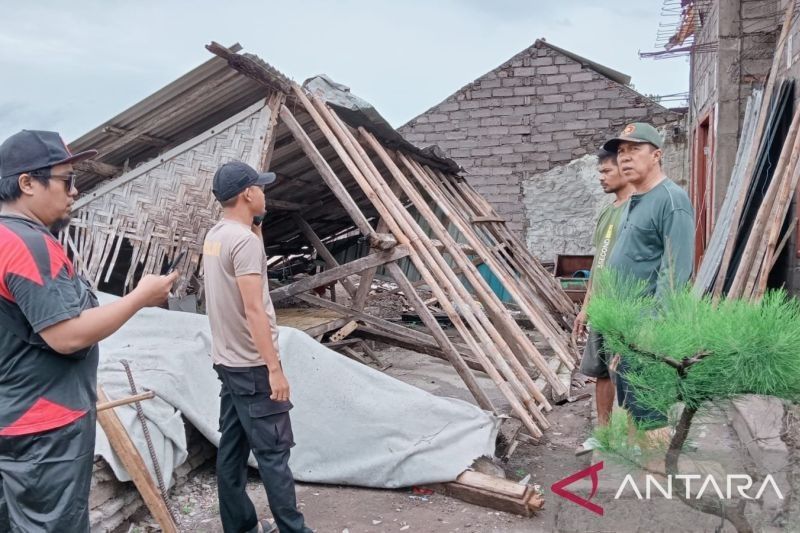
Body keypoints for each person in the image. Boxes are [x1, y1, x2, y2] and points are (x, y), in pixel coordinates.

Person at [0, 130, 177, 532]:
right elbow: (67, 336)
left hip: (11, 414)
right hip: (45, 426)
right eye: (66, 180)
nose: (75, 191)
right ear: (27, 183)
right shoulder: (29, 245)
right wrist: (139, 297)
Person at [203, 161, 312, 533]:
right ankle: (294, 530)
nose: (265, 193)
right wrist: (274, 369)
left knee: (232, 451)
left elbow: (252, 273)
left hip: (228, 363)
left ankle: (240, 527)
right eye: (261, 188)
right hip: (252, 367)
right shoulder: (243, 242)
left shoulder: (217, 236)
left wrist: (257, 227)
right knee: (274, 454)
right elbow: (253, 308)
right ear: (248, 194)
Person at [602, 122, 694, 432]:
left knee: (650, 418)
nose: (625, 158)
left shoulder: (671, 200)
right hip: (627, 332)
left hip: (648, 334)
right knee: (630, 407)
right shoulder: (635, 201)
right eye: (621, 152)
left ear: (656, 155)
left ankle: (654, 474)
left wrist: (653, 331)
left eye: (634, 150)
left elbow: (675, 271)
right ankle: (640, 472)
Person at [574, 149, 634, 456]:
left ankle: (638, 442)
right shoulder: (608, 211)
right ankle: (604, 434)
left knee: (633, 372)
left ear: (625, 171)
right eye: (600, 173)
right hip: (603, 306)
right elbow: (599, 263)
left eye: (606, 172)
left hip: (630, 306)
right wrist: (586, 306)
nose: (601, 178)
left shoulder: (640, 209)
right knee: (599, 372)